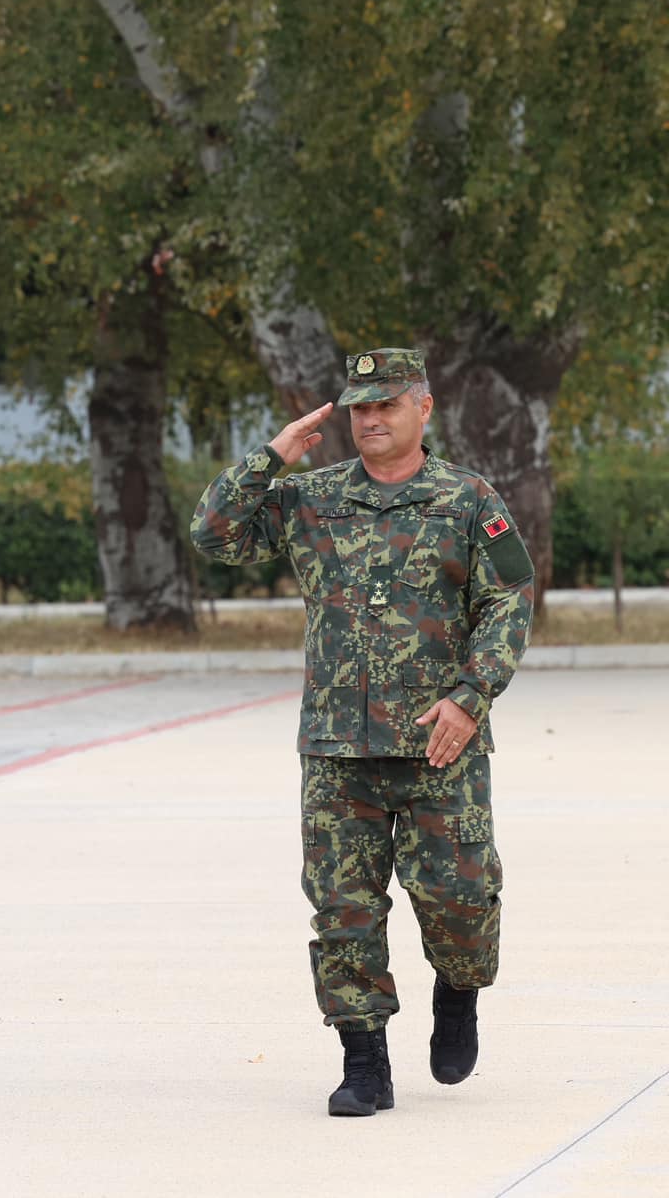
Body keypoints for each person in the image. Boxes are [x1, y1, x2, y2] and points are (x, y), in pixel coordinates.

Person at [190, 348, 532, 1118]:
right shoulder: (310, 498)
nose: (370, 421)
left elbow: (509, 601)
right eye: (359, 409)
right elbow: (212, 535)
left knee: (461, 899)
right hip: (339, 748)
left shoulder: (468, 500)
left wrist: (471, 698)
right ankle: (364, 1061)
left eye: (386, 406)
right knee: (343, 909)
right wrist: (271, 456)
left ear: (423, 409)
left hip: (442, 745)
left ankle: (459, 989)